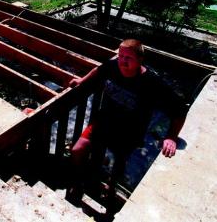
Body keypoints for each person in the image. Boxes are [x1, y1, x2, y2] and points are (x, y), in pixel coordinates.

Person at [66, 39, 187, 219]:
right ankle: (79, 183)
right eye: (120, 55)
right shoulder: (113, 66)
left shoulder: (152, 83)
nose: (122, 61)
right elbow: (98, 70)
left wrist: (171, 137)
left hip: (128, 132)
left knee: (118, 164)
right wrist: (82, 81)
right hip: (103, 122)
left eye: (128, 57)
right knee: (77, 150)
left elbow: (179, 110)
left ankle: (111, 192)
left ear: (140, 60)